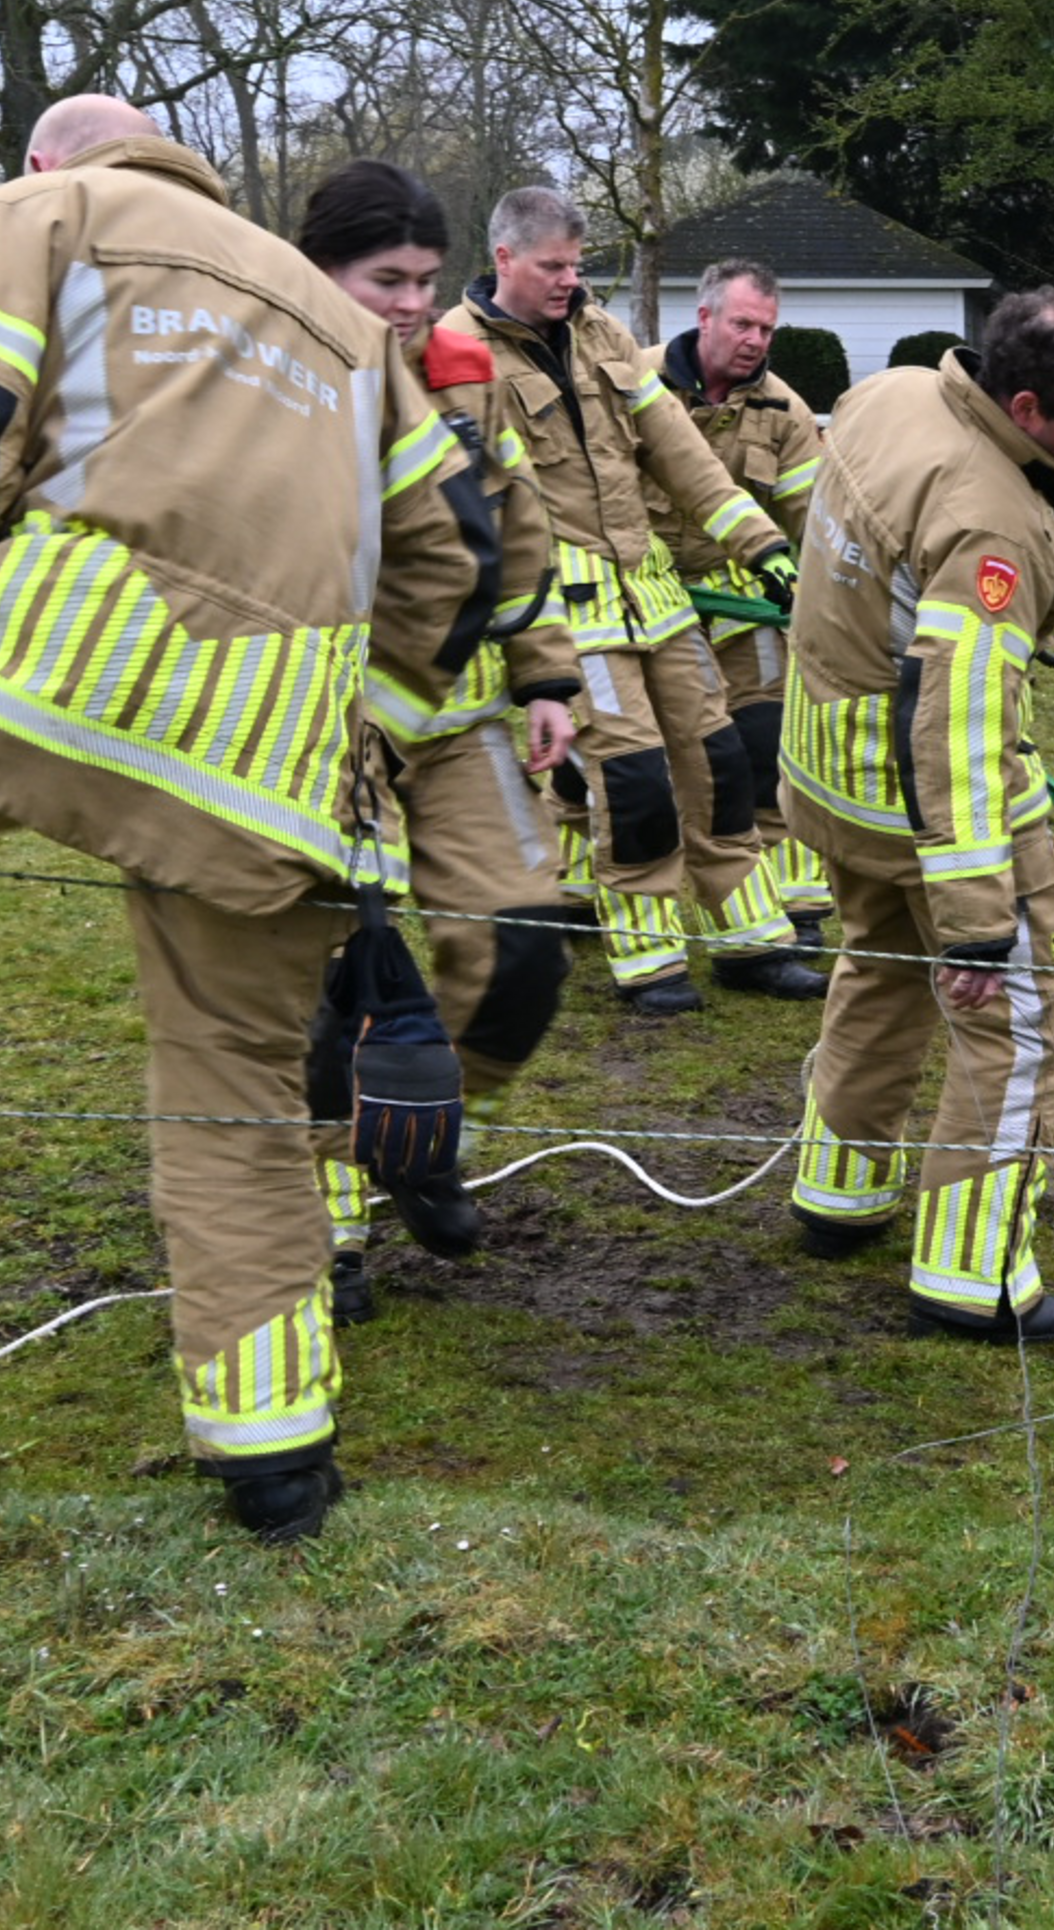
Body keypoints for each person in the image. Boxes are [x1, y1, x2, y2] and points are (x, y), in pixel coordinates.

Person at [0, 95, 503, 1542]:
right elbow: (462, 557)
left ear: (43, 161)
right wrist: (371, 723)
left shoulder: (45, 215)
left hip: (53, 673)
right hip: (274, 757)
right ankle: (273, 1453)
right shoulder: (349, 328)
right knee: (235, 1090)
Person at [781, 286, 1054, 1341]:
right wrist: (977, 918)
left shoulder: (891, 393)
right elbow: (958, 721)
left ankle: (839, 1194)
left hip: (834, 766)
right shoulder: (990, 522)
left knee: (878, 970)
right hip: (930, 802)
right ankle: (974, 1275)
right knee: (1015, 1022)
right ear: (1024, 406)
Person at [295, 159, 583, 1324]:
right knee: (331, 982)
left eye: (426, 279)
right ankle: (324, 1226)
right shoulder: (263, 378)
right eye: (387, 280)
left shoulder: (468, 375)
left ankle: (420, 1137)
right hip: (312, 735)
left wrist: (546, 674)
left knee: (525, 946)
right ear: (317, 274)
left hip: (457, 721)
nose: (414, 304)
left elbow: (518, 529)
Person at [436, 190, 822, 1013]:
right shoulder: (455, 352)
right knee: (635, 778)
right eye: (553, 266)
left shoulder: (603, 334)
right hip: (566, 613)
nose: (569, 281)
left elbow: (682, 455)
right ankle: (650, 960)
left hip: (655, 595)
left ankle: (753, 941)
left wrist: (764, 547)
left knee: (719, 760)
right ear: (504, 258)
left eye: (577, 265)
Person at [655, 258, 830, 947]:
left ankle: (796, 902)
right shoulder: (635, 382)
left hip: (742, 601)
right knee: (616, 761)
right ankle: (575, 892)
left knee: (765, 742)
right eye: (742, 324)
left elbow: (815, 517)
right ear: (704, 317)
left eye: (767, 329)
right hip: (642, 597)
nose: (756, 340)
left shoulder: (785, 411)